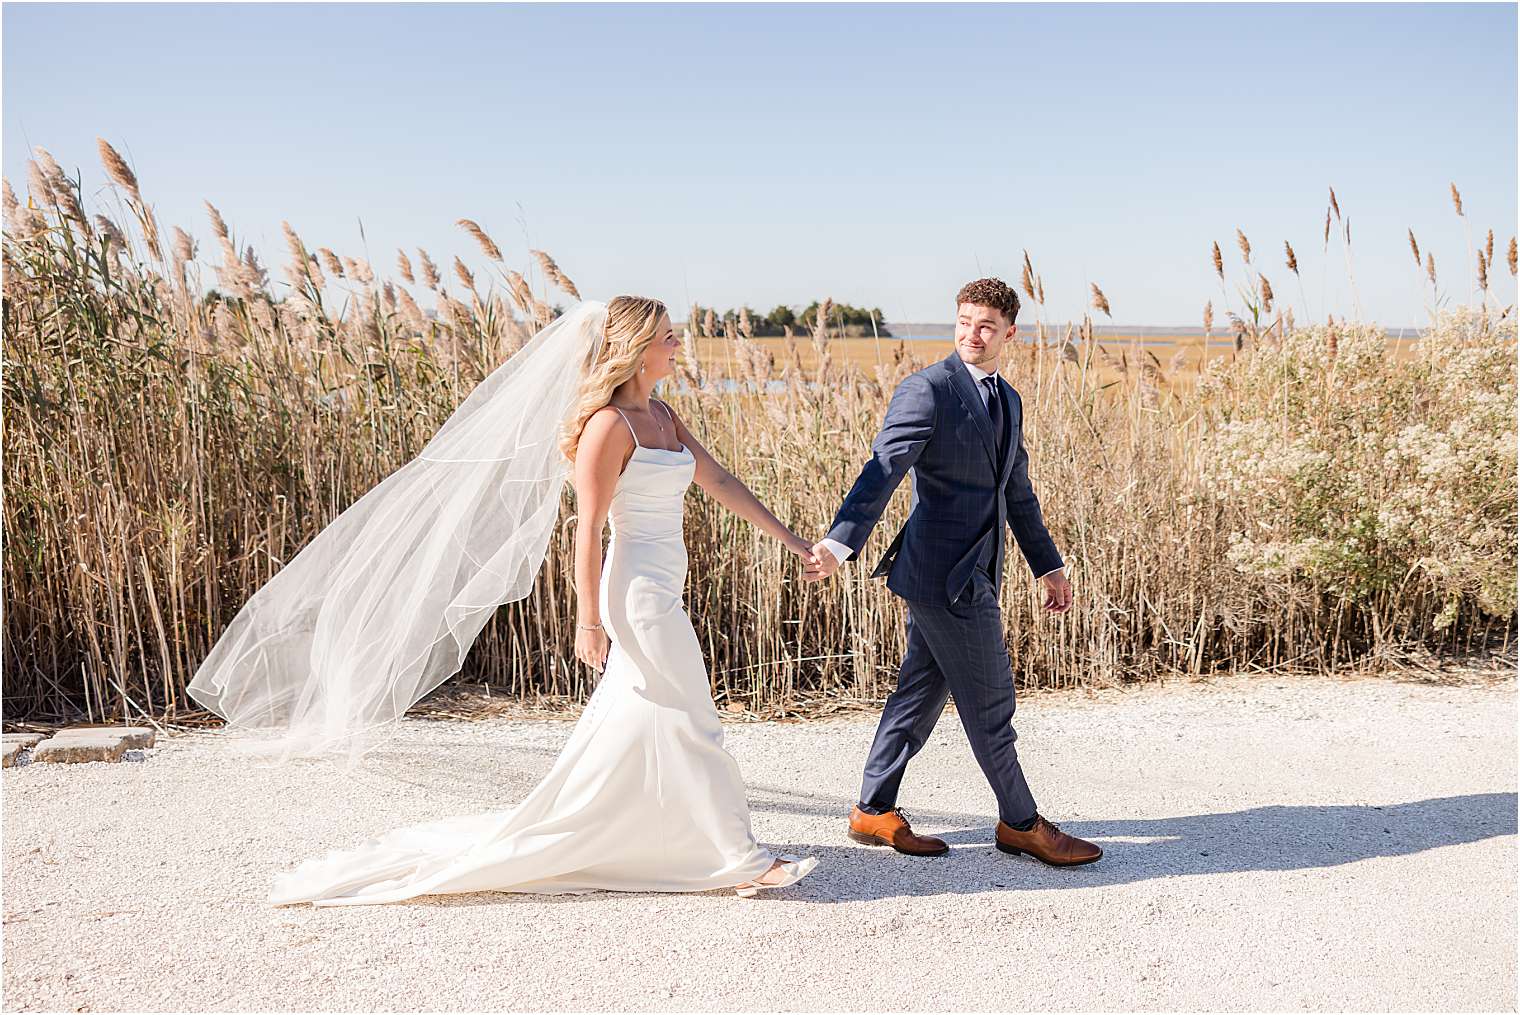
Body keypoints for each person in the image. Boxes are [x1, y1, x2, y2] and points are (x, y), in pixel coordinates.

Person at [191, 297, 818, 905]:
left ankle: (659, 839)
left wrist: (794, 543)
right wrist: (589, 621)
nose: (677, 344)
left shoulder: (665, 418)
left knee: (642, 719)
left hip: (666, 584)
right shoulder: (609, 426)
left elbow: (722, 481)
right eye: (666, 336)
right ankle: (742, 858)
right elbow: (588, 528)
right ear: (634, 349)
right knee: (692, 710)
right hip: (637, 591)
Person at [807, 277, 1102, 867]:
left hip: (977, 572)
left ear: (1009, 333)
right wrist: (840, 544)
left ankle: (872, 809)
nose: (973, 333)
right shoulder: (928, 390)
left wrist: (1048, 565)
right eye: (964, 321)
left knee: (918, 692)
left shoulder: (1008, 399)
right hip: (944, 577)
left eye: (986, 325)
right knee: (992, 705)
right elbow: (883, 469)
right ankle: (1021, 823)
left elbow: (1015, 490)